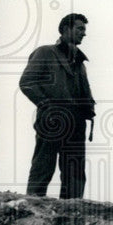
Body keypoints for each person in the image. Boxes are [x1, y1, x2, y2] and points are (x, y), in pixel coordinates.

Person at [19, 13, 96, 199]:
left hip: (77, 121)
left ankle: (73, 210)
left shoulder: (80, 62)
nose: (84, 34)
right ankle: (33, 204)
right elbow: (27, 82)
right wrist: (46, 105)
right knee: (43, 164)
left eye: (84, 30)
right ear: (65, 29)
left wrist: (89, 109)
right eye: (80, 29)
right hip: (52, 117)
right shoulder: (46, 52)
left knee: (75, 170)